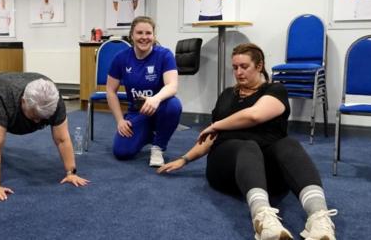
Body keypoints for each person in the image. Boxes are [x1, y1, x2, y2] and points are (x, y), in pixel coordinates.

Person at [158, 43, 337, 240]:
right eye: (235, 68)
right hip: (227, 167)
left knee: (289, 144)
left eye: (244, 67)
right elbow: (210, 138)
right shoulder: (227, 95)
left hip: (268, 175)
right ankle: (263, 219)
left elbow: (254, 115)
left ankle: (319, 218)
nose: (238, 72)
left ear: (259, 66)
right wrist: (185, 159)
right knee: (248, 146)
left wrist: (217, 124)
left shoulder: (276, 90)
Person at [0, 72, 89, 201]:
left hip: (12, 93)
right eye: (34, 116)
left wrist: (71, 173)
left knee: (5, 125)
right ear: (23, 102)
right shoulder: (2, 97)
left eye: (42, 118)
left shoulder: (53, 99)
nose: (37, 122)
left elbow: (62, 138)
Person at [106, 16, 182, 167]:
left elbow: (172, 86)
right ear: (132, 35)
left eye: (148, 33)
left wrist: (156, 99)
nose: (144, 37)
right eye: (139, 33)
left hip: (160, 108)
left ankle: (158, 146)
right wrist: (120, 120)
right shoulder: (121, 58)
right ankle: (148, 133)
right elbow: (110, 90)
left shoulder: (164, 55)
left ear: (153, 36)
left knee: (174, 105)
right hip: (137, 113)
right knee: (122, 152)